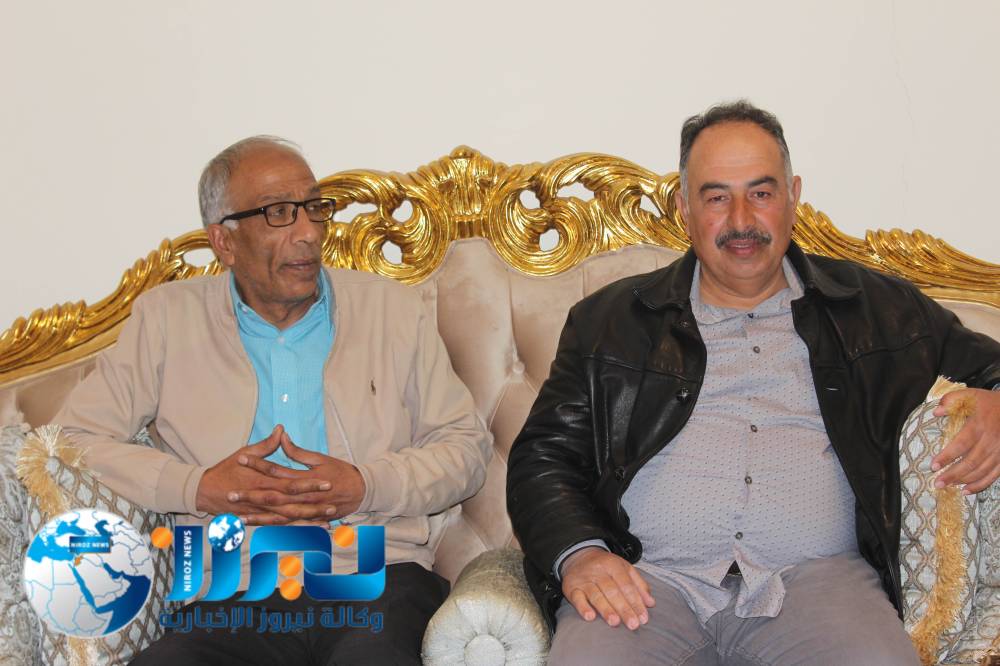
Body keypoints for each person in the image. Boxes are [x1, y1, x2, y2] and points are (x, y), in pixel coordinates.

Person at [506, 101, 1000, 664]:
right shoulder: (611, 321)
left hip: (818, 584)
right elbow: (542, 456)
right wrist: (582, 555)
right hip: (646, 584)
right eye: (717, 197)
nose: (741, 219)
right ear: (684, 208)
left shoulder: (877, 310)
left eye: (761, 193)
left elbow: (989, 364)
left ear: (793, 196)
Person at [55, 136, 492, 664]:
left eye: (314, 208)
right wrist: (199, 487)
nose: (308, 232)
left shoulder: (392, 311)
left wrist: (364, 485)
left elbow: (465, 449)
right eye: (279, 213)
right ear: (225, 241)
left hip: (373, 577)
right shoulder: (166, 319)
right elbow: (70, 441)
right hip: (233, 591)